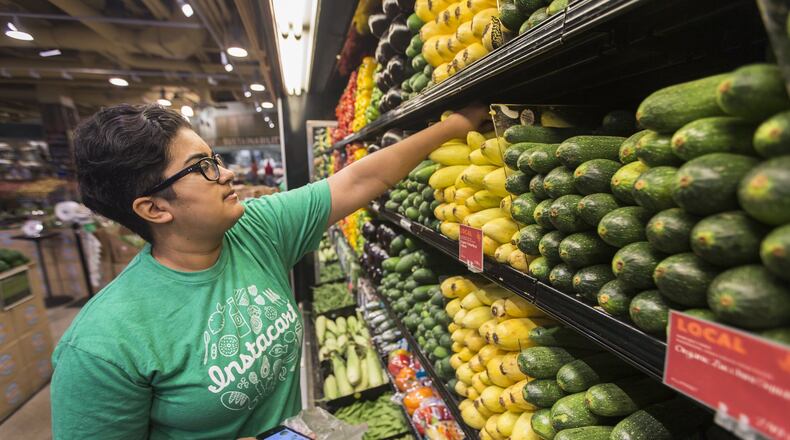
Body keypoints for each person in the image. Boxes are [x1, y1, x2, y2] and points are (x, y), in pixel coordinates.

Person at [51, 103, 487, 439]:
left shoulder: (254, 227)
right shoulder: (101, 347)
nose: (227, 173)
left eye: (214, 157)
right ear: (153, 208)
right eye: (202, 168)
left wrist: (458, 123)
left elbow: (358, 181)